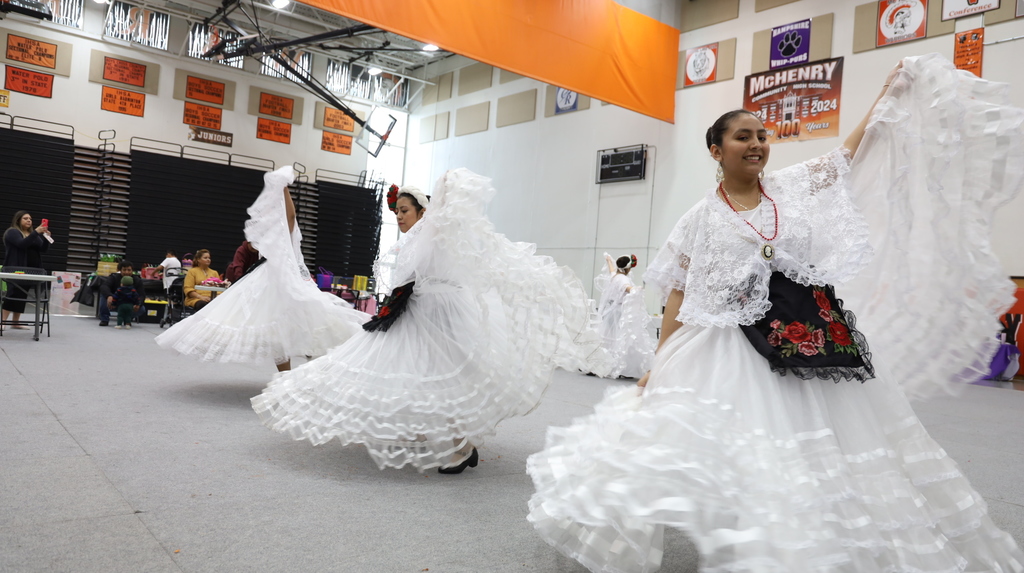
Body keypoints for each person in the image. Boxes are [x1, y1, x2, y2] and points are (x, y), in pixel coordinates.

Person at [527, 55, 1024, 572]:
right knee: (704, 445)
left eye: (762, 135)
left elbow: (846, 156)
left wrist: (887, 95)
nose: (758, 143)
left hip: (798, 342)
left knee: (804, 449)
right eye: (743, 136)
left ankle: (793, 545)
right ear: (716, 151)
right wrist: (661, 359)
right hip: (721, 346)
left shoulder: (788, 190)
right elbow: (676, 294)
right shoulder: (698, 218)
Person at [252, 172, 603, 474]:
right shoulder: (413, 239)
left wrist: (444, 186)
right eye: (397, 212)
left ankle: (460, 445)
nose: (399, 217)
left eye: (405, 211)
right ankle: (457, 442)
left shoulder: (436, 230)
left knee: (449, 373)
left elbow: (448, 208)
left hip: (443, 311)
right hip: (420, 308)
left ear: (424, 211)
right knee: (417, 370)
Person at [155, 167, 368, 372]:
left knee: (298, 324)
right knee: (278, 329)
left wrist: (282, 188)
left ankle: (303, 372)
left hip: (283, 278)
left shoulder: (286, 234)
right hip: (269, 279)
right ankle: (288, 375)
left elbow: (291, 217)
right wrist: (280, 188)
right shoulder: (269, 234)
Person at [593, 252, 655, 379]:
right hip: (618, 312)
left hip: (610, 311)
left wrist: (609, 260)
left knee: (607, 335)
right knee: (619, 336)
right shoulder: (623, 279)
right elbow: (627, 288)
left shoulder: (615, 276)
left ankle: (599, 364)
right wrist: (636, 289)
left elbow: (611, 269)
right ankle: (620, 366)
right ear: (628, 268)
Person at [1, 211, 50, 329]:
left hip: (31, 270)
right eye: (25, 218)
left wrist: (46, 238)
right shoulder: (13, 232)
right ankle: (3, 322)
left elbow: (42, 249)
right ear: (18, 220)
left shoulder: (31, 233)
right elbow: (22, 244)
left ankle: (15, 322)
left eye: (30, 219)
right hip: (16, 268)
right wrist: (36, 232)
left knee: (23, 294)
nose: (29, 220)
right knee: (13, 293)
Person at [98, 259, 146, 327]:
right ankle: (104, 319)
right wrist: (109, 296)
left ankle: (127, 319)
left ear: (132, 271)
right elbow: (104, 286)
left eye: (129, 270)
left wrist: (139, 304)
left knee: (142, 309)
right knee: (104, 295)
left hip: (129, 305)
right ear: (120, 270)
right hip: (114, 303)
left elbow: (142, 295)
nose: (127, 272)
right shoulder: (113, 277)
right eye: (124, 270)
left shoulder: (137, 280)